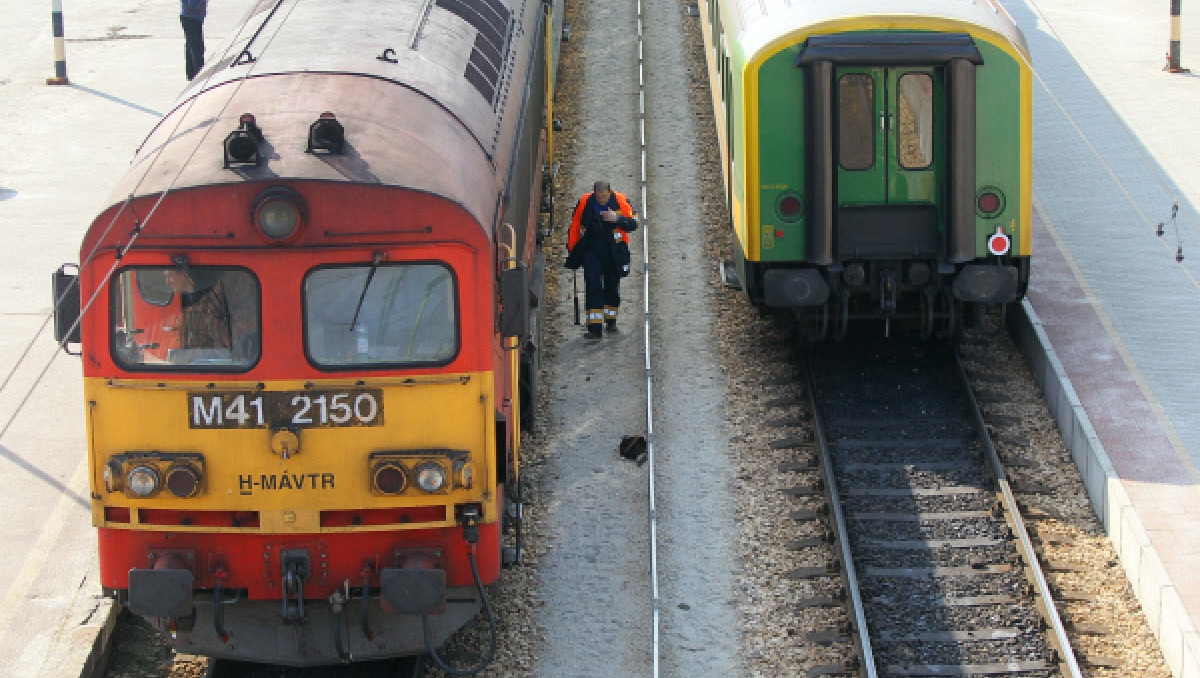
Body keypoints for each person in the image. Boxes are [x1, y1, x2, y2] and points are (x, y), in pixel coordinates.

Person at [565, 180, 638, 339]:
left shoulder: (621, 201)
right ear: (594, 193)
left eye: (604, 197)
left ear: (610, 193)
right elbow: (575, 227)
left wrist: (616, 219)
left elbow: (634, 223)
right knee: (592, 286)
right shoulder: (585, 202)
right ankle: (594, 328)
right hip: (592, 251)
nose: (602, 200)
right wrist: (573, 252)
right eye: (599, 197)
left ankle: (611, 321)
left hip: (613, 252)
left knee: (612, 287)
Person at [180, 0, 207, 81]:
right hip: (190, 18)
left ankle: (191, 74)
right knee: (197, 48)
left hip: (193, 17)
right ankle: (198, 75)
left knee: (191, 46)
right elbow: (193, 5)